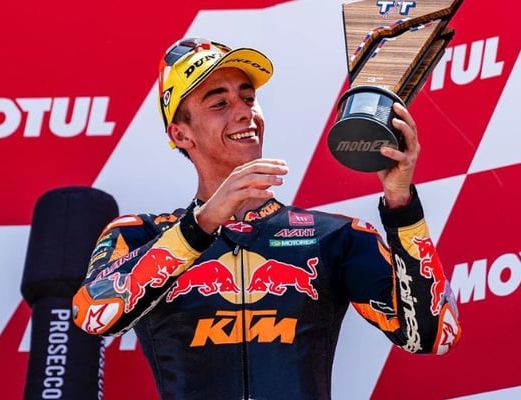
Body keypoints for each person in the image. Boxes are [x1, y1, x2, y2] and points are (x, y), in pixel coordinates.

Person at [72, 37, 462, 399]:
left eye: (248, 98)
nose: (245, 112)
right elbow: (92, 315)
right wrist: (199, 226)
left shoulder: (334, 237)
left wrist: (401, 204)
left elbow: (433, 336)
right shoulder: (140, 235)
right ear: (181, 134)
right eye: (219, 103)